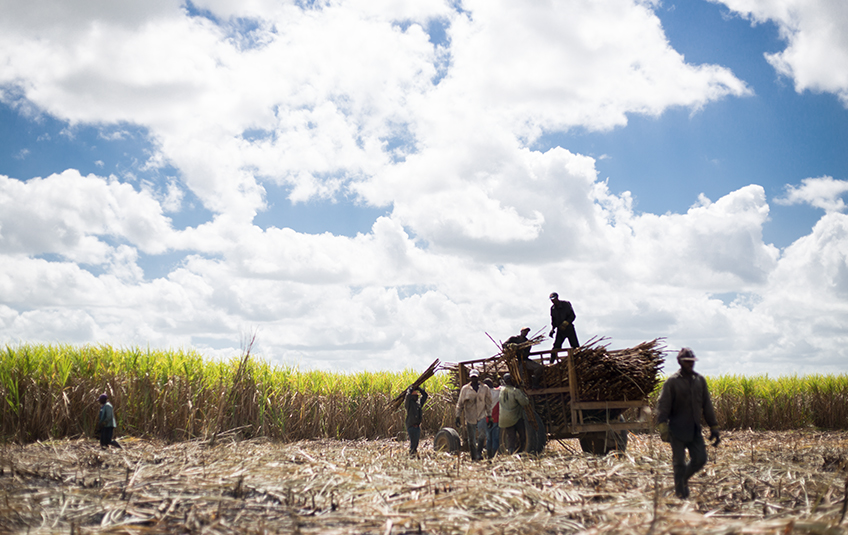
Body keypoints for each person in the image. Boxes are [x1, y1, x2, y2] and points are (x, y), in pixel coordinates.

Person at [656, 348, 720, 499]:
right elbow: (663, 405)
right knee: (678, 462)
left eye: (692, 362)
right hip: (677, 429)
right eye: (687, 362)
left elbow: (707, 405)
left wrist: (714, 427)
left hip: (694, 430)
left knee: (700, 459)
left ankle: (682, 480)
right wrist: (662, 425)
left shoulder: (699, 381)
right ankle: (680, 494)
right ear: (680, 362)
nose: (690, 364)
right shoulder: (672, 382)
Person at [455, 369, 493, 461]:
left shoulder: (485, 388)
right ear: (470, 378)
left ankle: (479, 453)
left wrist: (489, 416)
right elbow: (460, 404)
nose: (474, 379)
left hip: (481, 415)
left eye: (475, 377)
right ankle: (473, 457)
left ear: (478, 377)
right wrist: (457, 416)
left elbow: (488, 403)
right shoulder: (465, 389)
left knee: (482, 436)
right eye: (472, 377)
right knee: (471, 439)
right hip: (470, 416)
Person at [498, 373, 529, 454]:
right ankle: (521, 451)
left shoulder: (500, 391)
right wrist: (521, 390)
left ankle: (511, 452)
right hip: (515, 417)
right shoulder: (515, 391)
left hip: (504, 418)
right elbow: (525, 402)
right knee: (522, 436)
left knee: (510, 437)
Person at [548, 292, 579, 362]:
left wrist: (566, 322)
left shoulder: (566, 304)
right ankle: (551, 362)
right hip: (560, 330)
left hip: (569, 329)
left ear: (557, 298)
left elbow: (572, 316)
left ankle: (579, 359)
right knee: (556, 346)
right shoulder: (553, 309)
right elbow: (554, 320)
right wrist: (553, 329)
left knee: (575, 346)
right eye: (551, 300)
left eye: (553, 299)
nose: (552, 301)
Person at [404, 386, 429, 457]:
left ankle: (413, 455)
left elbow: (425, 396)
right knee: (413, 443)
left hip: (417, 427)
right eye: (415, 395)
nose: (416, 397)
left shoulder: (418, 404)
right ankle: (411, 456)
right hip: (411, 426)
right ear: (411, 396)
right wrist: (410, 389)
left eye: (417, 395)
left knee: (416, 443)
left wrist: (420, 389)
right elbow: (407, 397)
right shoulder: (408, 404)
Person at [483, 378, 500, 458]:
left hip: (486, 420)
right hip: (496, 420)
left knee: (489, 439)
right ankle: (494, 455)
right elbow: (502, 387)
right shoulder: (497, 392)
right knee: (495, 438)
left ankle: (489, 456)